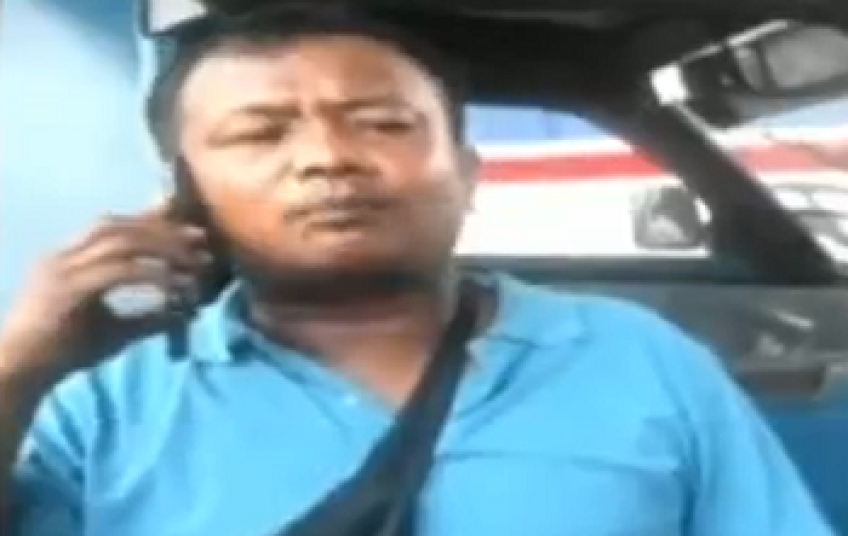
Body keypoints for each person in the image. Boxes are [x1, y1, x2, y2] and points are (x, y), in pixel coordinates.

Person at [0, 8, 836, 536]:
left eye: (382, 123)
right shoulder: (100, 400)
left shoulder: (643, 359)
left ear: (467, 173)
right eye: (260, 133)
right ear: (184, 192)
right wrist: (20, 367)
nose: (329, 159)